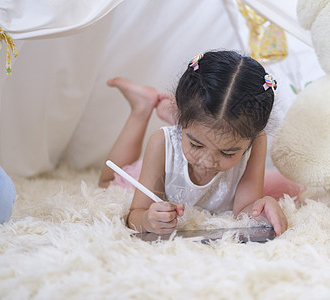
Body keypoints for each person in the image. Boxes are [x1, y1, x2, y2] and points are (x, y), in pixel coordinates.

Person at [99, 50, 304, 236]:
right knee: (108, 183)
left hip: (191, 130)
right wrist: (146, 219)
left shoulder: (258, 140)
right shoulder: (161, 143)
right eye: (197, 145)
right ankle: (141, 108)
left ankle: (181, 125)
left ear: (251, 139)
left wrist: (261, 209)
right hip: (168, 169)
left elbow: (244, 211)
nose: (207, 161)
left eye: (227, 153)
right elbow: (135, 214)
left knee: (292, 188)